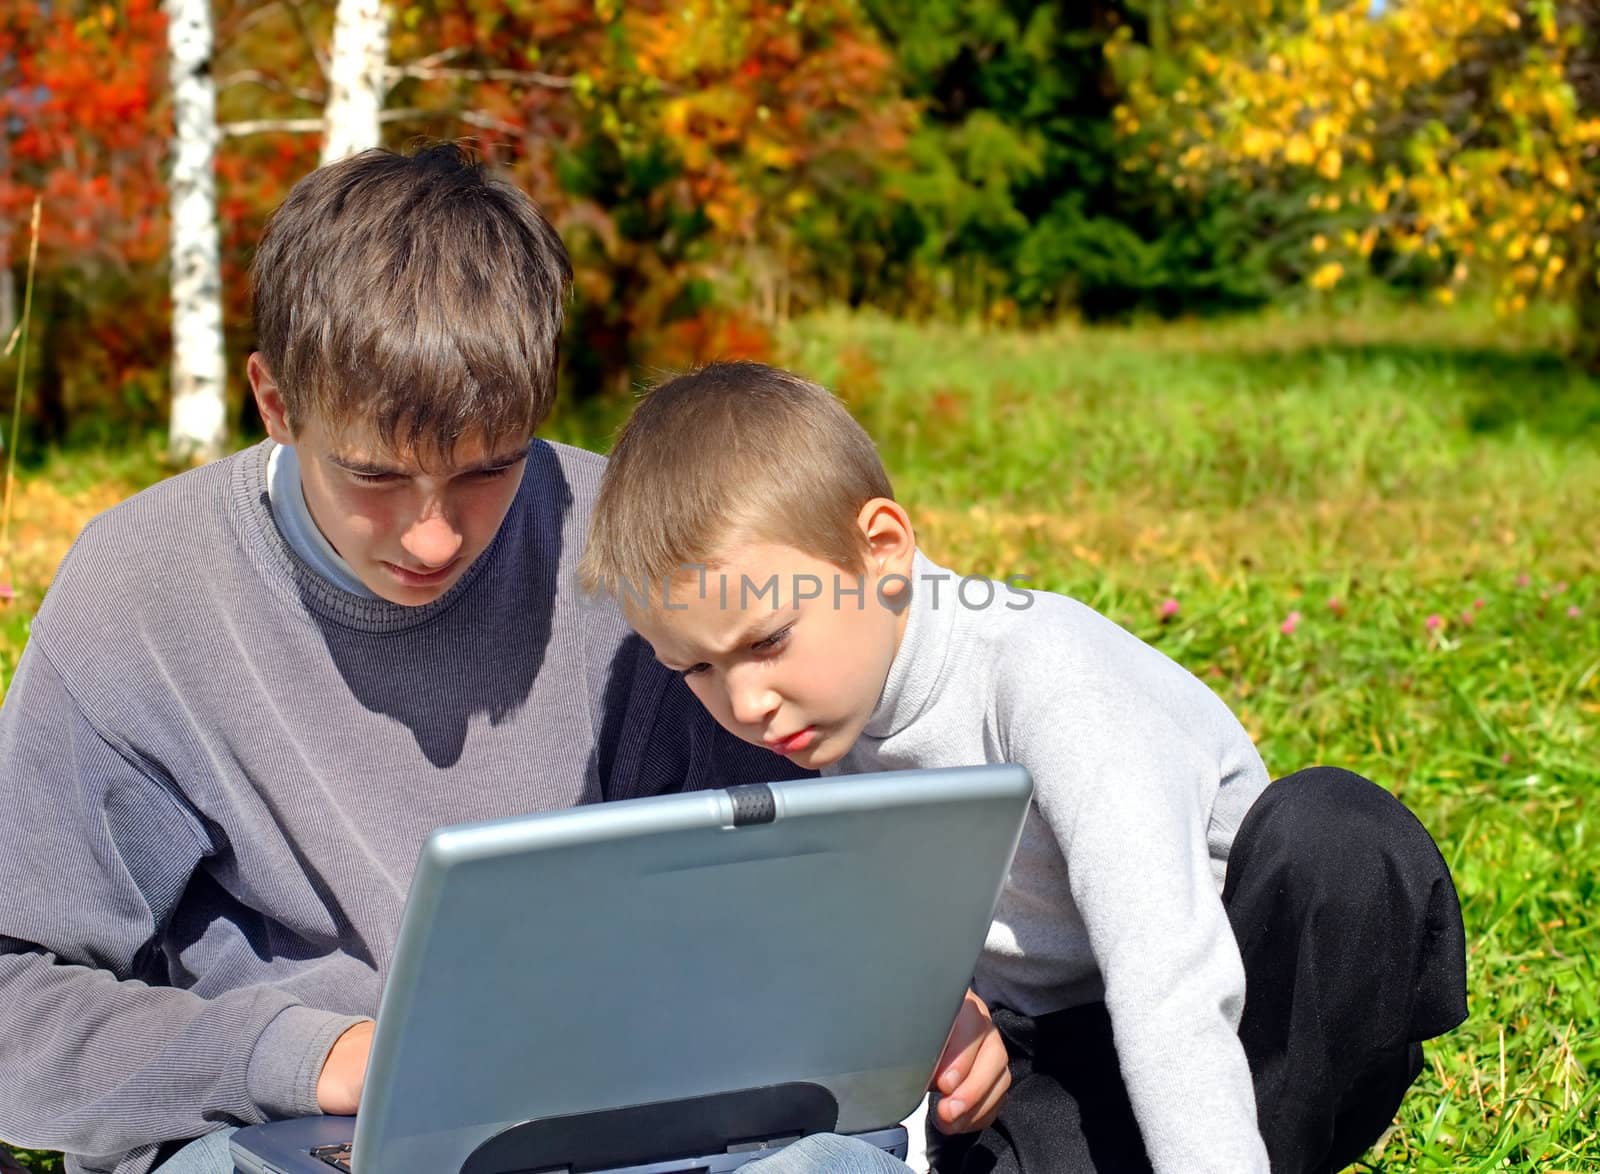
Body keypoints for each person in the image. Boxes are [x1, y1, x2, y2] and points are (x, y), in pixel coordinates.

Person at [0, 147, 1004, 1174]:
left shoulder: (631, 553)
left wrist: (898, 988)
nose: (432, 537)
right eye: (374, 475)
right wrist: (317, 1057)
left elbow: (784, 883)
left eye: (489, 467)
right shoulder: (141, 593)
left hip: (635, 1122)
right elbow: (13, 1008)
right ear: (274, 402)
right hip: (295, 1137)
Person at [578, 360, 1470, 1174]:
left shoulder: (1045, 675)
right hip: (1059, 1053)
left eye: (767, 640)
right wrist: (936, 1010)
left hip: (1243, 1011)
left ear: (882, 552)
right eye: (695, 668)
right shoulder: (807, 718)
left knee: (1338, 839)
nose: (744, 703)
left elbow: (1168, 975)